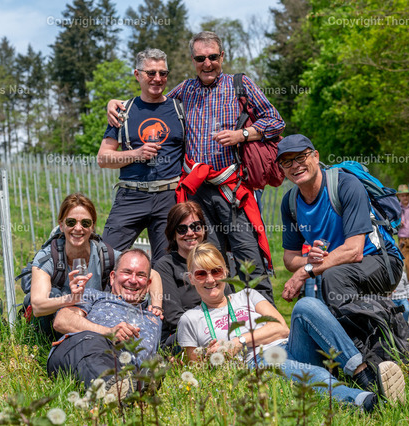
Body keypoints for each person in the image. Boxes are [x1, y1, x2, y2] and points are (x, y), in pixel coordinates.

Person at [108, 31, 284, 304]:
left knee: (248, 257)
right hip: (197, 192)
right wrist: (116, 104)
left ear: (222, 56)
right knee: (208, 263)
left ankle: (265, 321)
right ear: (193, 60)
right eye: (200, 58)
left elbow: (275, 121)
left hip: (231, 189)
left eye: (212, 57)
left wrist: (242, 135)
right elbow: (153, 99)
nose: (207, 63)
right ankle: (221, 319)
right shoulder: (184, 91)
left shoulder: (240, 84)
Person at [177, 243, 406, 411]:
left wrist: (238, 341)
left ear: (226, 272)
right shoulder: (190, 319)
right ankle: (367, 402)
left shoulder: (247, 295)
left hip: (291, 346)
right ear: (191, 278)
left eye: (216, 271)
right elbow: (198, 371)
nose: (210, 279)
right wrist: (211, 357)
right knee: (310, 373)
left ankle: (361, 373)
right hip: (255, 364)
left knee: (306, 305)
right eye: (201, 274)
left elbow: (281, 328)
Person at [278, 135, 404, 310]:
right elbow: (289, 259)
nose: (295, 165)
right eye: (287, 162)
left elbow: (354, 251)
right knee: (331, 286)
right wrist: (309, 259)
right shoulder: (290, 202)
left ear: (316, 156)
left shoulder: (345, 185)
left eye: (300, 157)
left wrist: (305, 271)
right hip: (338, 269)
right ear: (282, 168)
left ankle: (375, 322)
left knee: (333, 277)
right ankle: (378, 323)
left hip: (381, 261)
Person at [97, 48, 185, 265]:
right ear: (137, 75)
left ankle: (159, 290)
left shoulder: (180, 109)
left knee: (167, 265)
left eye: (163, 73)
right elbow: (103, 158)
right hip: (131, 196)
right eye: (151, 73)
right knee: (106, 258)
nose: (157, 78)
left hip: (169, 198)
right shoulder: (123, 111)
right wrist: (136, 154)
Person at [30, 193, 163, 334]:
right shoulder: (48, 257)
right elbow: (37, 306)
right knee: (54, 294)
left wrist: (156, 307)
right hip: (58, 325)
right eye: (71, 222)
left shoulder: (105, 255)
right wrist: (71, 299)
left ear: (93, 226)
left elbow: (153, 275)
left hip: (94, 323)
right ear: (61, 225)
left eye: (85, 223)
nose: (78, 228)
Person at [47, 249, 162, 391]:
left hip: (125, 364)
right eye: (127, 272)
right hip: (82, 348)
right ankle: (119, 389)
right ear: (112, 277)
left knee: (142, 364)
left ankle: (131, 384)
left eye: (140, 275)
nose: (133, 280)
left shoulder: (153, 317)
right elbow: (62, 320)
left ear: (148, 284)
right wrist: (109, 332)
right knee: (93, 344)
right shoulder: (94, 295)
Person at [154, 201, 234, 347]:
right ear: (173, 234)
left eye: (196, 227)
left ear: (203, 229)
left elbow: (231, 302)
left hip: (221, 328)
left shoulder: (214, 259)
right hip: (184, 334)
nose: (190, 233)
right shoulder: (165, 266)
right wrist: (211, 330)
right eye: (182, 229)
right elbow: (173, 318)